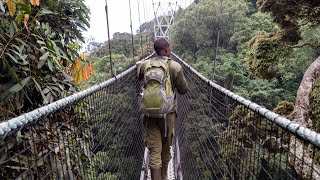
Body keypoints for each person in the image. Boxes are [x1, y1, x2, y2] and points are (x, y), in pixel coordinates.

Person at [137, 37, 188, 180]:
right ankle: (165, 176)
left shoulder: (145, 64)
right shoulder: (175, 67)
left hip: (149, 116)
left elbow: (139, 75)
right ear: (166, 50)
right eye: (170, 48)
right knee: (166, 149)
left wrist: (140, 64)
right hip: (168, 116)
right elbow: (183, 90)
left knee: (154, 152)